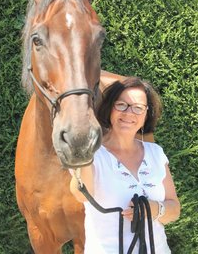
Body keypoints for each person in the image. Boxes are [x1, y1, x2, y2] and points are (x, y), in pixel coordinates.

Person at [70, 76, 181, 254]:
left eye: (138, 108)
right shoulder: (90, 154)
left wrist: (154, 209)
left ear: (146, 114)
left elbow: (174, 209)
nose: (129, 113)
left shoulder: (156, 153)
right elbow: (81, 194)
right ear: (110, 108)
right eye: (121, 104)